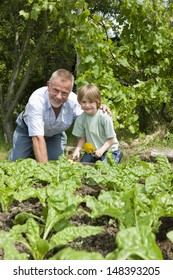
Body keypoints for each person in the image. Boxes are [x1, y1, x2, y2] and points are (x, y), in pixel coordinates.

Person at [8, 69, 111, 163]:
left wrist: (98, 108)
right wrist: (45, 172)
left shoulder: (74, 101)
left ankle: (37, 153)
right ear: (48, 85)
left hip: (54, 134)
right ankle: (24, 150)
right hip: (27, 131)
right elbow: (37, 137)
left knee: (55, 163)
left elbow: (89, 116)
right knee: (16, 163)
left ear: (70, 92)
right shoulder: (36, 100)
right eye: (55, 90)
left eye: (64, 93)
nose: (59, 97)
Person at [72, 84, 122, 163]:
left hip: (108, 149)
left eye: (91, 102)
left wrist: (101, 150)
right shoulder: (80, 119)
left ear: (97, 102)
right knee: (83, 167)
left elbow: (111, 139)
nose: (87, 105)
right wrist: (77, 150)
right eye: (84, 102)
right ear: (79, 102)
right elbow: (82, 138)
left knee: (105, 170)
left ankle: (117, 155)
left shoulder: (104, 116)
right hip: (93, 151)